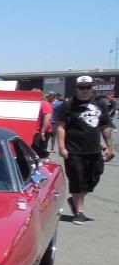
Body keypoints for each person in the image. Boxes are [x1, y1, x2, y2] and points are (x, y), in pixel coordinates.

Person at [57, 76, 115, 225]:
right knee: (77, 179)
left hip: (94, 149)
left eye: (87, 87)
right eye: (81, 87)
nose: (84, 90)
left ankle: (75, 200)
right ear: (76, 88)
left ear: (92, 88)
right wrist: (62, 147)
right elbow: (61, 126)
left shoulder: (100, 104)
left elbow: (105, 126)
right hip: (74, 150)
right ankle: (79, 211)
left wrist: (110, 146)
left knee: (94, 178)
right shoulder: (68, 105)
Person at [32, 88, 53, 157]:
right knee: (34, 151)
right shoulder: (35, 103)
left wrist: (43, 132)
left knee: (38, 151)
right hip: (36, 131)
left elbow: (47, 117)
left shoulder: (44, 103)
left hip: (41, 131)